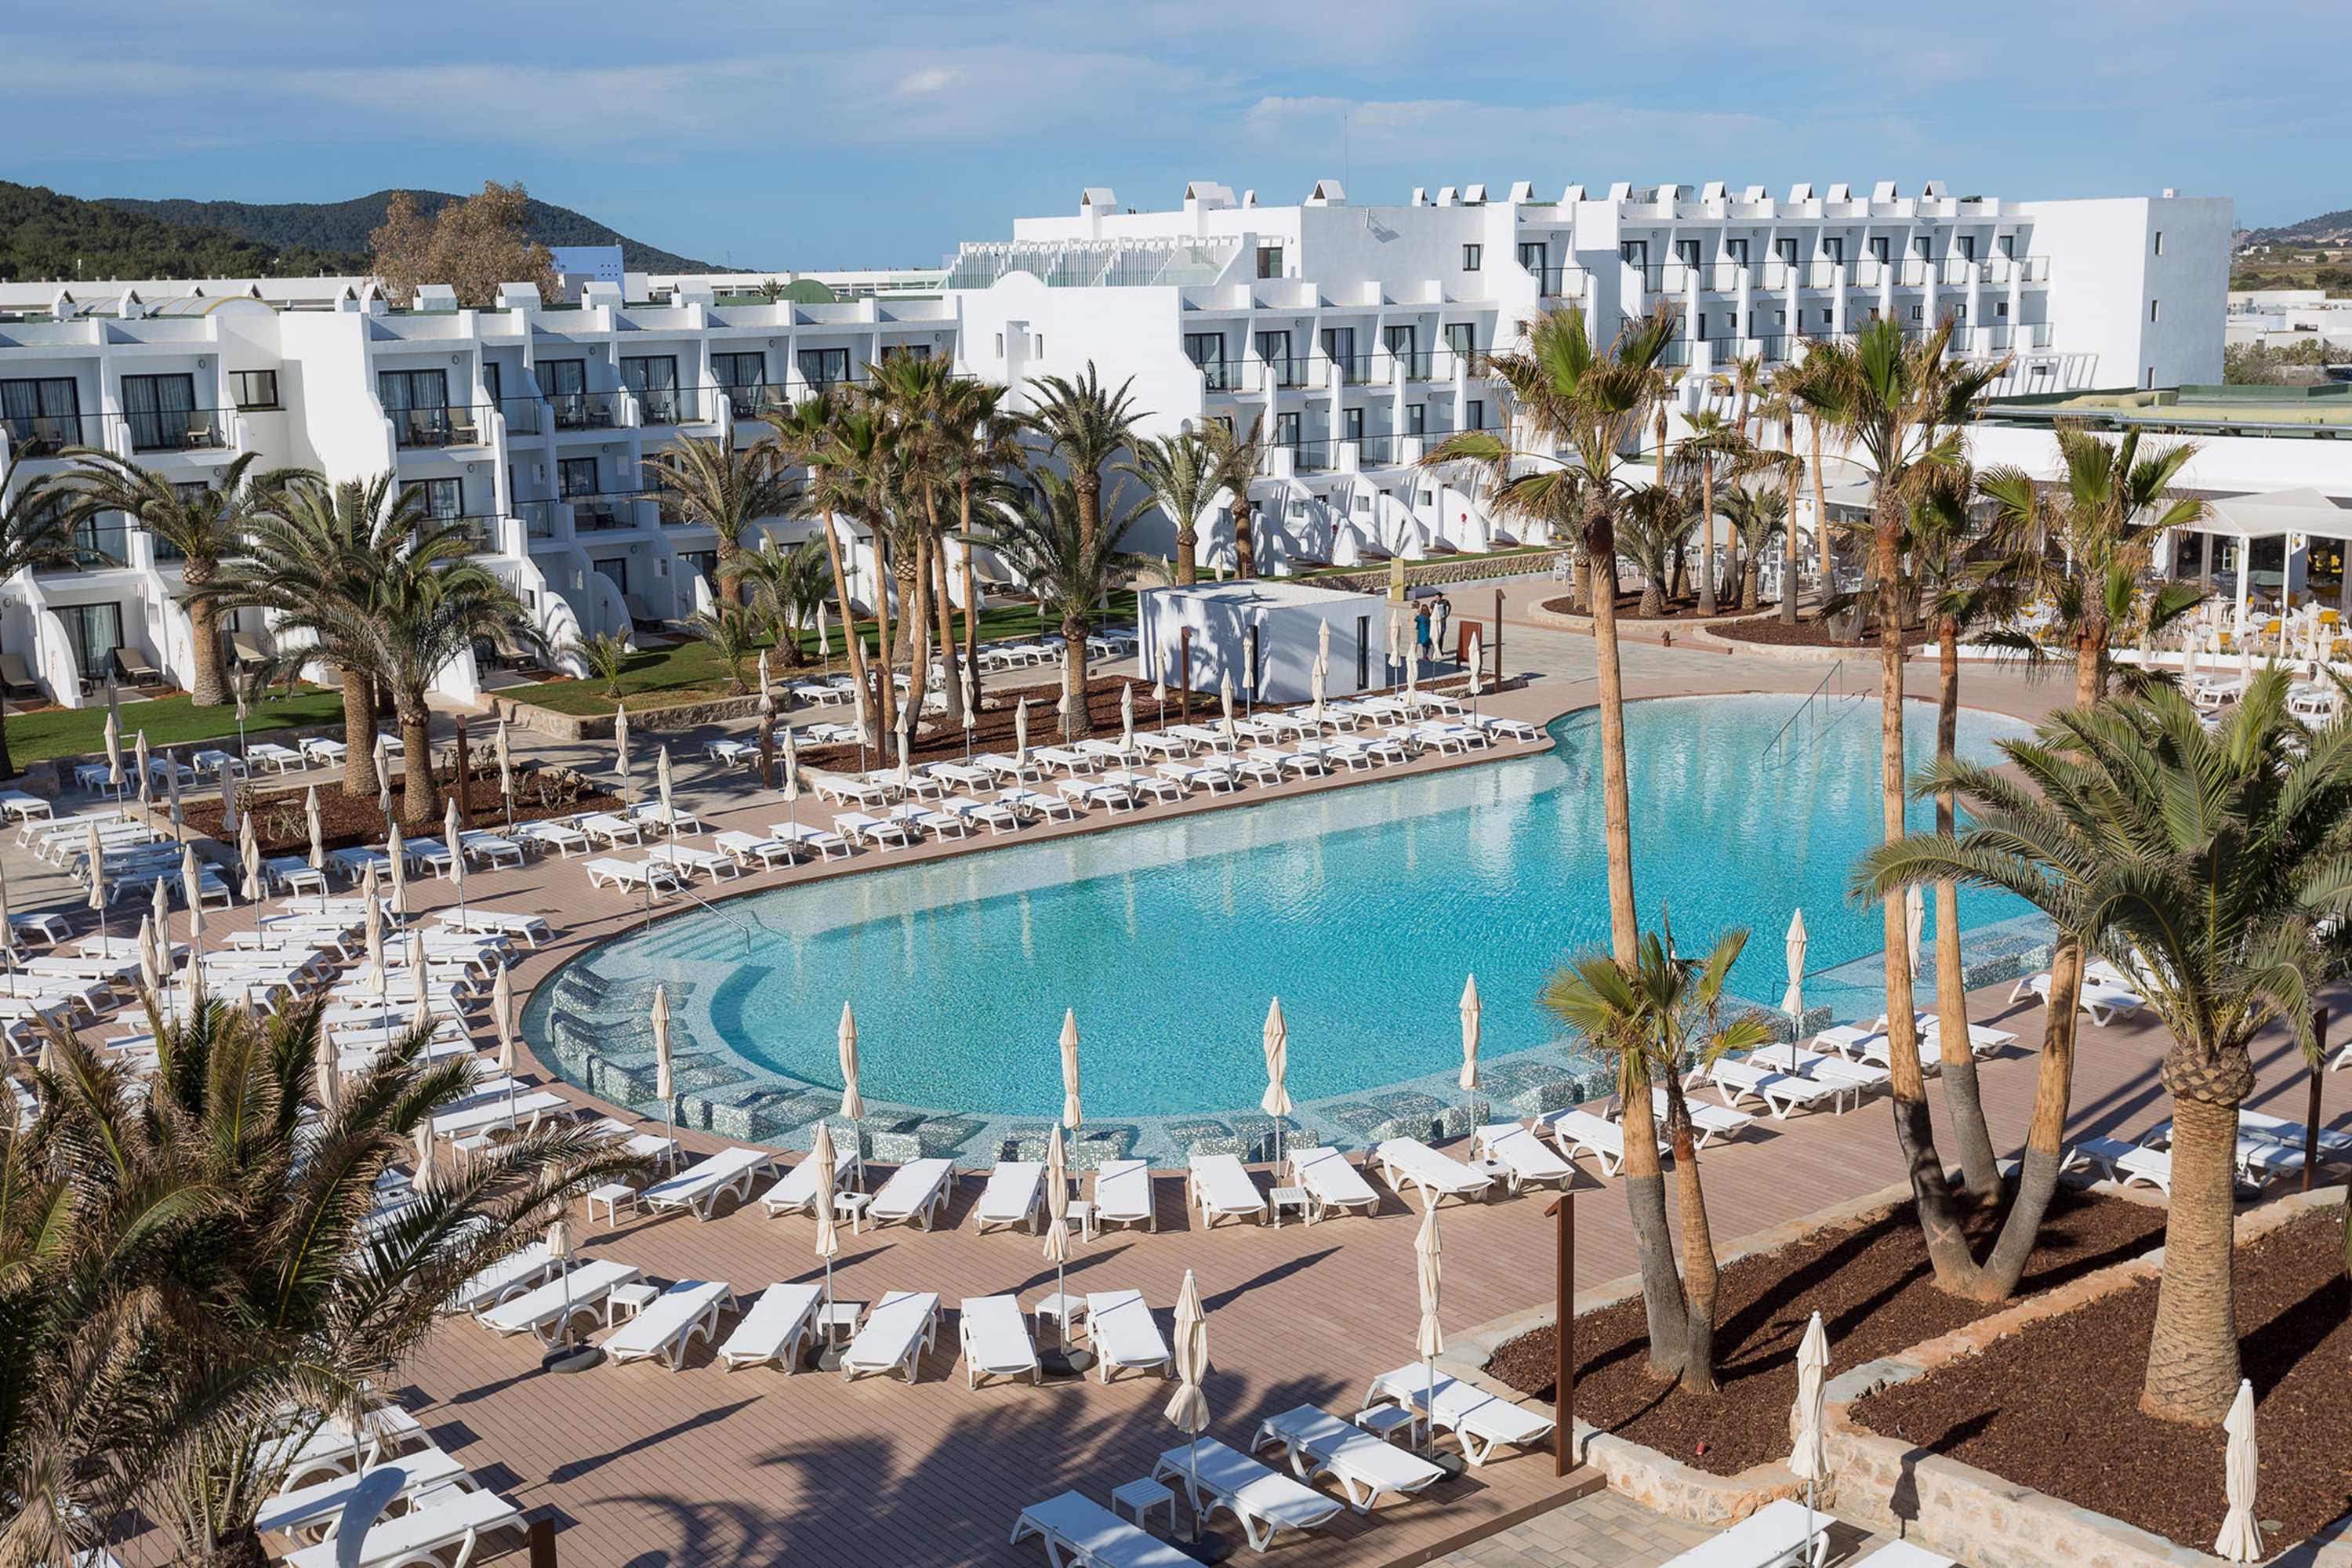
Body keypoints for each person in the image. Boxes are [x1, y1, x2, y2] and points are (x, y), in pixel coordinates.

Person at [1431, 595, 1451, 663]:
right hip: (1435, 621)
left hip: (1442, 621)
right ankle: (1436, 650)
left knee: (1441, 636)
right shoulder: (1433, 603)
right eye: (1436, 597)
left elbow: (1450, 606)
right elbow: (1431, 610)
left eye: (1438, 598)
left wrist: (1447, 614)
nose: (1436, 599)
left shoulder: (1445, 602)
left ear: (1441, 597)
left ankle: (1440, 650)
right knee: (1435, 636)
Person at [1414, 602, 1433, 670]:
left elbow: (1415, 619)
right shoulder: (1429, 616)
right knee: (1428, 643)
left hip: (1422, 632)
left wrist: (1418, 613)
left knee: (1424, 645)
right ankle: (1429, 654)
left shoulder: (1421, 616)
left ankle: (1425, 656)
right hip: (1428, 631)